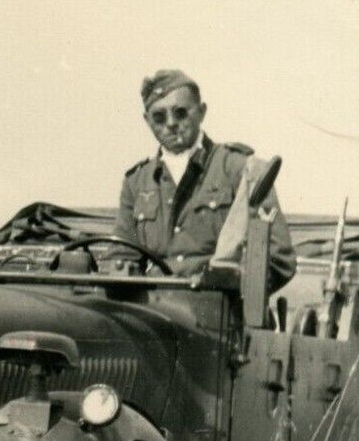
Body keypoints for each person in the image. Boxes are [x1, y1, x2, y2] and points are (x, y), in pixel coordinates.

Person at [113, 69, 295, 292]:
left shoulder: (241, 169)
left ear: (201, 112)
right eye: (159, 117)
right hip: (152, 309)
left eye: (180, 113)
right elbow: (120, 258)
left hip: (219, 306)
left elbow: (279, 260)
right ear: (147, 121)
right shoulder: (137, 182)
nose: (170, 123)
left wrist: (233, 283)